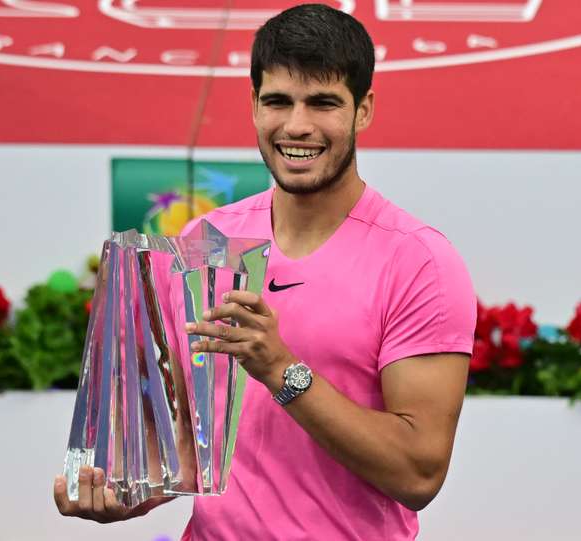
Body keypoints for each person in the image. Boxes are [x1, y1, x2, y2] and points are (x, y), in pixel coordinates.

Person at [54, 4, 477, 539]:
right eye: (279, 101)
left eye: (323, 103)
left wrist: (281, 369)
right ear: (254, 105)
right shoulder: (202, 242)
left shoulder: (419, 262)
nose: (297, 125)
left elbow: (419, 472)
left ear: (363, 109)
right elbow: (185, 447)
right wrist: (117, 492)